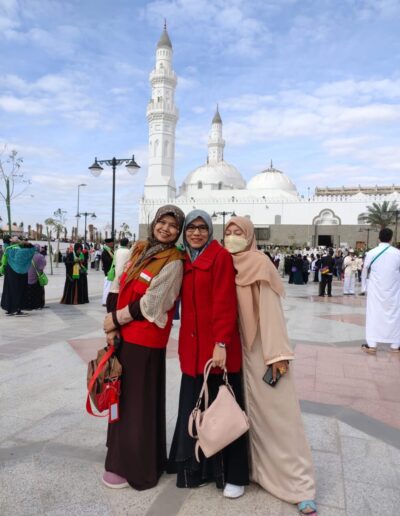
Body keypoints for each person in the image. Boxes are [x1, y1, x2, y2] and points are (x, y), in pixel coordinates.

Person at [224, 217, 317, 515]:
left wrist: (277, 354)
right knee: (245, 414)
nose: (232, 236)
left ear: (250, 235)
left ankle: (298, 485)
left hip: (262, 349)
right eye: (228, 232)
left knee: (280, 416)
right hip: (233, 350)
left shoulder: (260, 263)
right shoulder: (224, 263)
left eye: (239, 232)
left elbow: (271, 310)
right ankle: (256, 471)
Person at [102, 205, 185, 490]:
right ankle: (120, 454)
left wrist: (115, 319)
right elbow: (118, 284)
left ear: (178, 231)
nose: (166, 229)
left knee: (137, 404)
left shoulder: (173, 262)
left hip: (145, 343)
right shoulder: (140, 250)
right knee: (121, 398)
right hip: (124, 337)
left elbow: (152, 304)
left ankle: (135, 465)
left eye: (173, 225)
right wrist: (112, 326)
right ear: (153, 223)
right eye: (162, 222)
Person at [168, 210, 249, 499]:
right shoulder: (184, 260)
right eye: (191, 228)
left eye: (202, 228)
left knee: (224, 413)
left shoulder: (220, 257)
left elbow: (225, 302)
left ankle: (233, 475)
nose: (196, 233)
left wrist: (221, 343)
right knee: (194, 411)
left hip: (217, 352)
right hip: (192, 353)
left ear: (210, 231)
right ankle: (194, 469)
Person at [361, 228, 400, 353]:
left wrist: (364, 287)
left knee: (374, 314)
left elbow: (364, 270)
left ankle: (372, 345)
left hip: (375, 290)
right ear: (391, 238)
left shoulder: (371, 253)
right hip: (394, 290)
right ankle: (395, 345)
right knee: (395, 315)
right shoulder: (397, 253)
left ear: (379, 238)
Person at [1, 239, 36, 316]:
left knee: (10, 290)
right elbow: (33, 247)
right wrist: (21, 241)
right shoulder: (27, 251)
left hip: (10, 273)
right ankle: (17, 310)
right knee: (20, 291)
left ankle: (10, 309)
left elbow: (5, 242)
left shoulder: (9, 250)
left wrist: (11, 241)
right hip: (22, 274)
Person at [106, 237, 131, 312]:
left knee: (114, 289)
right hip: (124, 273)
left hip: (116, 272)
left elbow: (114, 262)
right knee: (121, 290)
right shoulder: (129, 252)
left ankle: (111, 307)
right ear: (127, 243)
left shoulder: (116, 251)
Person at [23, 245, 46, 310]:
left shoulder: (27, 255)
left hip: (27, 277)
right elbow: (42, 267)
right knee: (38, 291)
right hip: (37, 277)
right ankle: (38, 305)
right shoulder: (40, 256)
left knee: (30, 292)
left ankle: (30, 305)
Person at [101, 238, 114, 307]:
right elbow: (107, 261)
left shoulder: (110, 251)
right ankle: (105, 302)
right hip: (108, 272)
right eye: (111, 243)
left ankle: (108, 301)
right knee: (107, 287)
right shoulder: (105, 252)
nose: (112, 244)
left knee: (109, 288)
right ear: (107, 244)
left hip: (111, 272)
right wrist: (113, 259)